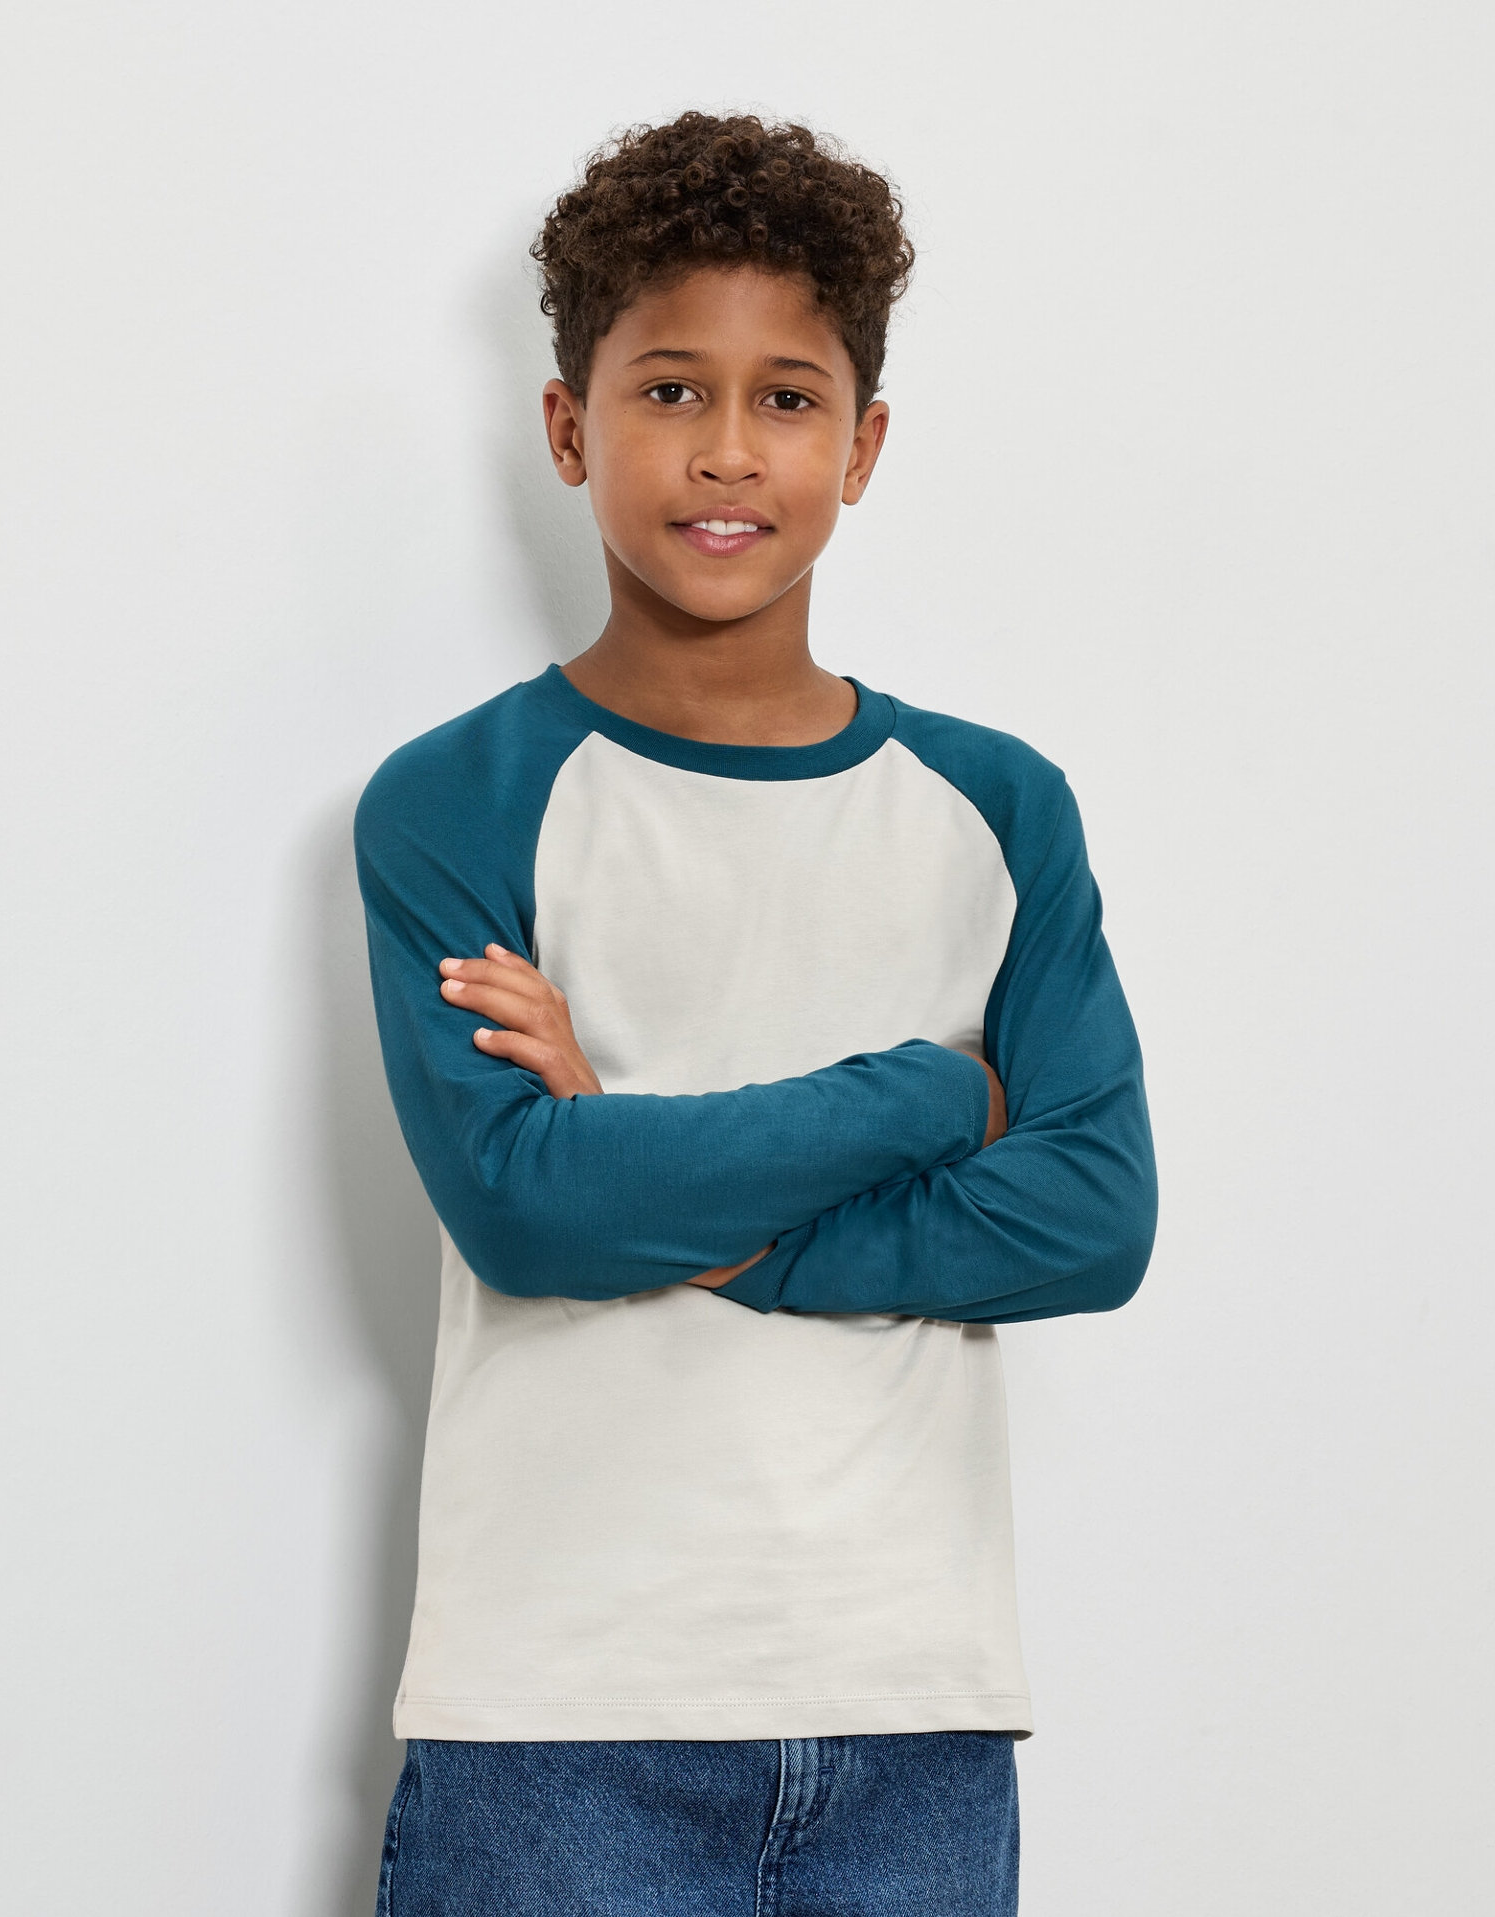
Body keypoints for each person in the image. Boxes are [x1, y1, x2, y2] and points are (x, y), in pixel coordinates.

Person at [353, 110, 1158, 1916]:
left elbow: (1092, 1218)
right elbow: (528, 1210)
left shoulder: (995, 807)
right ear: (569, 427)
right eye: (668, 391)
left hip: (912, 1708)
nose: (726, 449)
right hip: (561, 1713)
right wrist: (934, 1093)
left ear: (860, 445)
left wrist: (658, 1185)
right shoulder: (460, 796)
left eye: (786, 398)